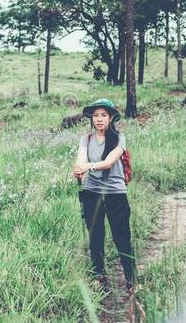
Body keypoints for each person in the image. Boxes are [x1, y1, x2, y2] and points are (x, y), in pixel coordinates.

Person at [73, 98, 136, 295]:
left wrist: (88, 167)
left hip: (115, 193)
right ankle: (99, 277)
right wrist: (79, 170)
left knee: (122, 236)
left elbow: (108, 162)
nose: (99, 119)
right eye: (96, 115)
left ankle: (132, 279)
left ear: (110, 118)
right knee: (95, 237)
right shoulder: (86, 139)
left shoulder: (119, 138)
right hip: (92, 192)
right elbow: (81, 160)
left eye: (103, 115)